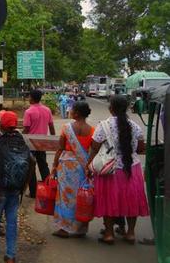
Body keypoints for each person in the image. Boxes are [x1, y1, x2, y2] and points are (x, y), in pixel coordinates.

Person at [88, 95, 149, 245]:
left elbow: (94, 147)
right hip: (132, 169)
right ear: (127, 108)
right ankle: (130, 233)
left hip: (110, 169)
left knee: (108, 199)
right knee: (131, 200)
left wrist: (88, 165)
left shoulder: (103, 125)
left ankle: (108, 234)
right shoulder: (135, 126)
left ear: (110, 109)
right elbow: (141, 148)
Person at [0, 111, 34, 263]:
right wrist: (25, 184)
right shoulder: (21, 140)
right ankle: (10, 256)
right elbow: (32, 161)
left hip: (0, 188)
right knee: (12, 221)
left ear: (1, 126)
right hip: (16, 187)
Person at [51, 102, 94, 238]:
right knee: (81, 195)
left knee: (65, 196)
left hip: (67, 166)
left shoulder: (66, 128)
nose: (70, 111)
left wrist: (54, 166)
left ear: (76, 113)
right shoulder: (92, 130)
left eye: (72, 110)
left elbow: (60, 148)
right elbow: (93, 150)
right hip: (83, 166)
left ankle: (64, 228)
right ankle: (80, 228)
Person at [23, 89, 55, 198]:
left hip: (31, 143)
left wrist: (21, 139)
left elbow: (26, 129)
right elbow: (51, 126)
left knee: (31, 167)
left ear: (32, 98)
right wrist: (54, 139)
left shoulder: (29, 112)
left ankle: (33, 192)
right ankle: (48, 189)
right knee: (43, 166)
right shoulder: (47, 110)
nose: (28, 99)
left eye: (29, 97)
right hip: (42, 142)